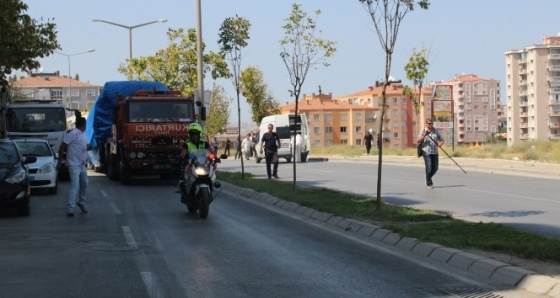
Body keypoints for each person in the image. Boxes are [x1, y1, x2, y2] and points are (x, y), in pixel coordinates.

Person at [58, 117, 92, 217]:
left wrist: (90, 147)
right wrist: (60, 161)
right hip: (73, 164)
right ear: (83, 125)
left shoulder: (83, 135)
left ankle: (81, 201)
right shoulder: (73, 133)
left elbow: (85, 147)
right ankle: (70, 208)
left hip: (82, 164)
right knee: (74, 185)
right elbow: (62, 145)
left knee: (85, 183)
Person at [416, 118, 444, 189]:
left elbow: (442, 140)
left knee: (435, 168)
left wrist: (440, 144)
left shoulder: (436, 130)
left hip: (435, 152)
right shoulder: (423, 130)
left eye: (432, 123)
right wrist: (424, 135)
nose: (431, 125)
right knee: (429, 167)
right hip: (426, 151)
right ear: (426, 124)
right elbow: (418, 140)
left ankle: (427, 176)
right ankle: (429, 183)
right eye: (429, 123)